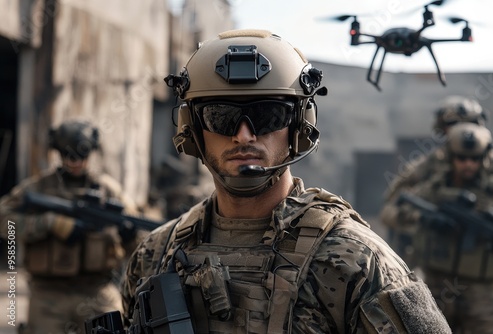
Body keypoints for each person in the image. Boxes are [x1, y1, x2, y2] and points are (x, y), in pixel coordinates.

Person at [120, 29, 451, 333]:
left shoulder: (358, 259)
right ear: (191, 130)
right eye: (220, 116)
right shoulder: (155, 252)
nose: (243, 136)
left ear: (300, 126)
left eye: (267, 115)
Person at [0, 120, 139, 334]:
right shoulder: (38, 187)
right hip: (48, 294)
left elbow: (142, 241)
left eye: (81, 156)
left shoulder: (107, 190)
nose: (75, 162)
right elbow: (4, 219)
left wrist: (130, 235)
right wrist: (49, 223)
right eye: (68, 155)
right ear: (58, 153)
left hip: (97, 291)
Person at [382, 123, 493, 333]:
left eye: (474, 159)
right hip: (437, 282)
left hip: (482, 289)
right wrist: (423, 219)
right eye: (461, 158)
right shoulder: (434, 184)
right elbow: (392, 210)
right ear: (451, 156)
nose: (468, 165)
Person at [380, 95, 493, 267]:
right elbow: (390, 210)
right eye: (453, 127)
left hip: (483, 278)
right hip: (434, 270)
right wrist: (422, 218)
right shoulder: (428, 166)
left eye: (469, 126)